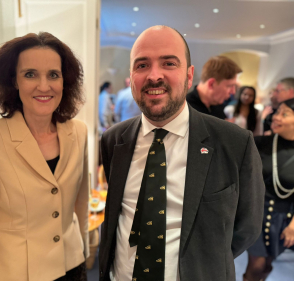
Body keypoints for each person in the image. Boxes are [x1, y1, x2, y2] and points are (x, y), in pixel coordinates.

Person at [99, 25, 265, 281]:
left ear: (189, 76)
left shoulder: (235, 144)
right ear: (131, 77)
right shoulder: (113, 140)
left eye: (168, 63)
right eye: (142, 65)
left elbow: (247, 227)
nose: (154, 76)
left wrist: (206, 262)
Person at [0, 32, 89, 281]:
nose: (44, 86)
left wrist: (84, 248)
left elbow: (81, 204)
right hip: (18, 274)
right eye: (30, 74)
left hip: (72, 265)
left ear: (65, 81)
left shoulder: (80, 132)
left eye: (54, 74)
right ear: (14, 81)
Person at [243, 98, 294, 281]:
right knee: (256, 266)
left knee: (267, 264)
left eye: (284, 114)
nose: (276, 117)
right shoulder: (261, 143)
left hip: (283, 218)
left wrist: (293, 225)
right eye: (277, 111)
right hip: (257, 213)